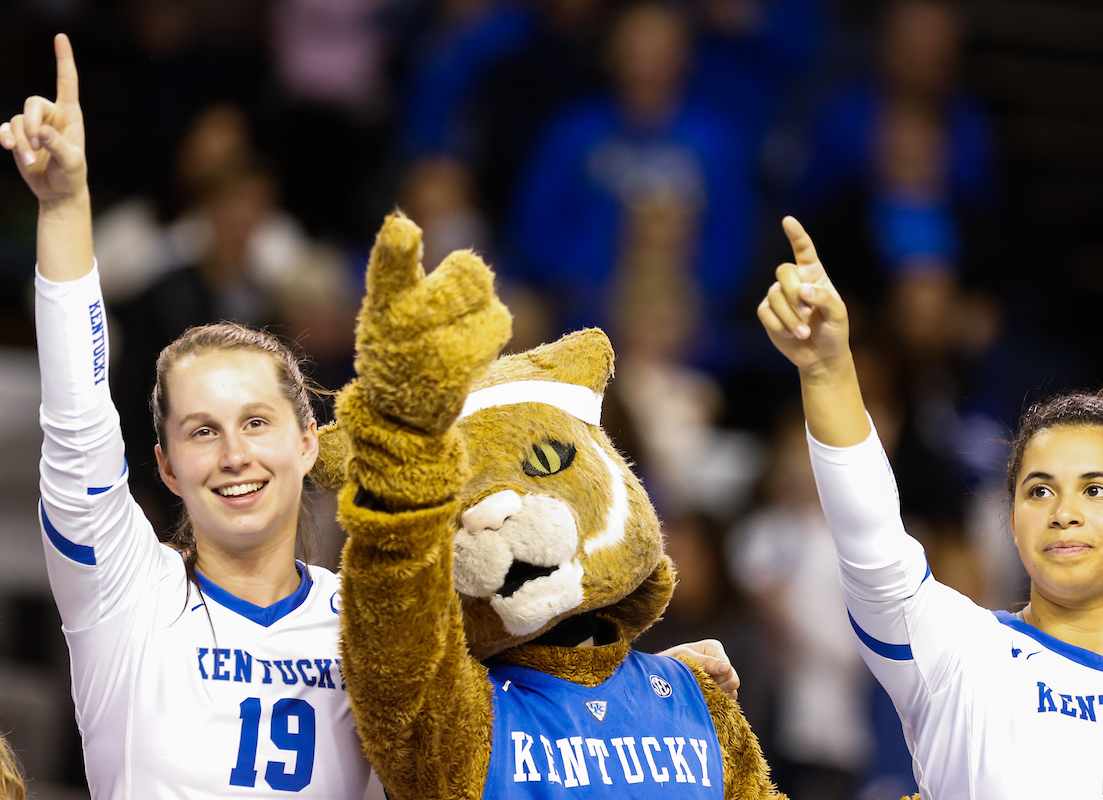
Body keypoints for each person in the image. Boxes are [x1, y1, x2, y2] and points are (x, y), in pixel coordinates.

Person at [2, 35, 739, 798]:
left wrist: (665, 687)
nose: (233, 454)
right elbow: (78, 428)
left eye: (257, 422)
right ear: (164, 466)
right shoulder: (126, 592)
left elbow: (536, 681)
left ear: (308, 440)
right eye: (200, 430)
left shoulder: (376, 625)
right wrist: (64, 207)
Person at [757, 216, 1103, 796]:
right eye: (1039, 490)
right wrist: (825, 370)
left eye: (1095, 489)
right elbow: (872, 541)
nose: (1063, 511)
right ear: (1012, 521)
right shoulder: (956, 653)